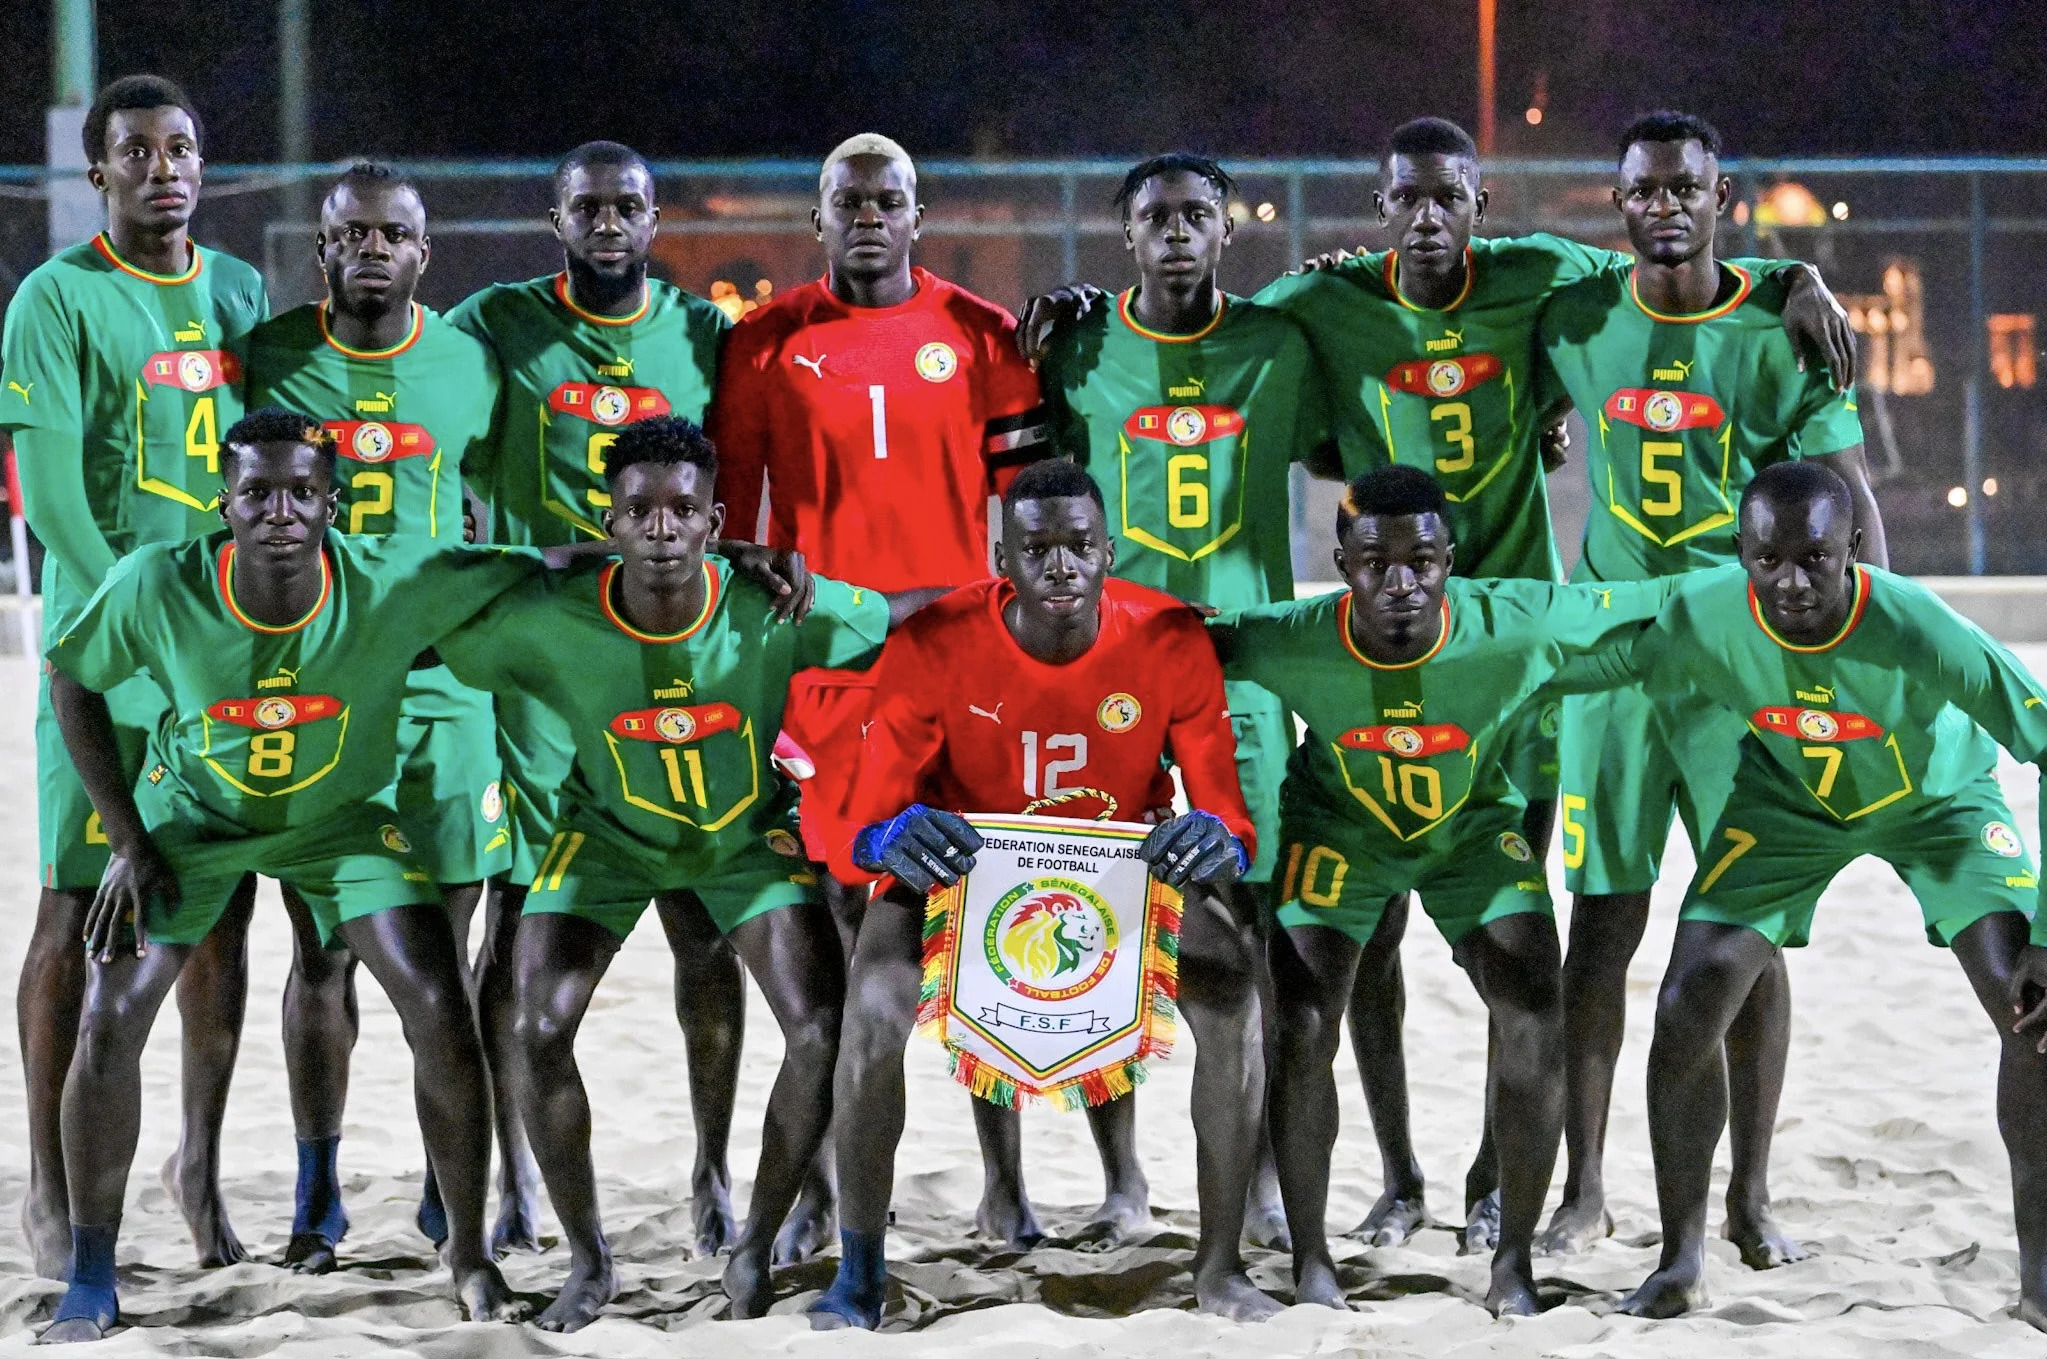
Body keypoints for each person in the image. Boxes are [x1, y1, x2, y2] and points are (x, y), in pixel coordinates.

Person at [1015, 117, 1859, 1251]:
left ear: (1479, 201)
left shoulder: (1543, 281)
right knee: (1359, 924)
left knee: (1563, 924)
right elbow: (1269, 405)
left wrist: (1792, 270)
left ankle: (1516, 1177)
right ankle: (1397, 1173)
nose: (1425, 217)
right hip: (1368, 642)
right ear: (1378, 207)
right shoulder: (1318, 306)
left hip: (1524, 649)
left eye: (1447, 197)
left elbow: (1671, 269)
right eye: (1404, 199)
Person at [36, 409, 560, 1341]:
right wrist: (124, 837)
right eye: (256, 492)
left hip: (342, 824)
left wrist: (725, 555)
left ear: (334, 502)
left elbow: (550, 567)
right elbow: (71, 679)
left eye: (301, 492)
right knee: (109, 1015)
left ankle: (470, 1256)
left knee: (439, 1003)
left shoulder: (393, 575)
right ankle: (89, 1272)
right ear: (223, 502)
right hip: (194, 821)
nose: (279, 509)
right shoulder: (158, 582)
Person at [433, 415, 934, 1328]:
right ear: (609, 523)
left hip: (743, 838)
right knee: (534, 1025)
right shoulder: (550, 616)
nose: (662, 530)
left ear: (717, 520)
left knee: (820, 1030)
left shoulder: (776, 602)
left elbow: (905, 614)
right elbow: (426, 627)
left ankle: (751, 1245)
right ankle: (589, 1261)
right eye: (639, 513)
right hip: (608, 838)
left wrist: (1021, 595)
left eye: (684, 512)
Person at [1564, 459, 2047, 1331]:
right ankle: (1680, 1260)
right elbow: (1582, 644)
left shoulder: (1915, 626)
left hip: (1936, 804)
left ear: (1854, 549)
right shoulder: (1710, 608)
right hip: (1791, 805)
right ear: (1740, 553)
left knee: (2032, 1009)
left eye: (1814, 559)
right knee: (1686, 997)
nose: (1789, 581)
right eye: (1767, 559)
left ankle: (2041, 1279)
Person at [1536, 110, 1890, 1260]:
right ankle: (1583, 1189)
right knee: (1601, 923)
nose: (1663, 205)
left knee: (1745, 933)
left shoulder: (1780, 330)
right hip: (1609, 663)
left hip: (1744, 669)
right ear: (1617, 201)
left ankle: (1749, 1198)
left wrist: (1869, 654)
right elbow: (1464, 299)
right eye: (1641, 190)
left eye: (1684, 187)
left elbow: (1848, 498)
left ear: (1719, 195)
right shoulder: (1579, 312)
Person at [708, 133, 1071, 1257]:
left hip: (959, 667)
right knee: (832, 921)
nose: (868, 216)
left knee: (974, 915)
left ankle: (1002, 1183)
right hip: (827, 679)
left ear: (920, 213)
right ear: (818, 219)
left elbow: (1030, 507)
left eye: (889, 200)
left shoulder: (983, 336)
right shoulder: (765, 344)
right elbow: (742, 530)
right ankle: (820, 1180)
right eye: (847, 201)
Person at [814, 458, 1273, 1328]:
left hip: (1118, 871)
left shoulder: (1169, 636)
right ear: (1003, 557)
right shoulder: (934, 640)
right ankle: (860, 1270)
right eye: (1036, 548)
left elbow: (1227, 813)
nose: (1059, 566)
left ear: (1108, 550)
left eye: (1076, 546)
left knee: (1236, 997)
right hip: (968, 871)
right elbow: (858, 826)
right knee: (871, 1011)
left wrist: (1217, 838)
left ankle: (1220, 1267)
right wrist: (889, 838)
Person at [1211, 463, 1671, 1315]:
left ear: (1448, 559)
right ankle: (1313, 1259)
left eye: (1420, 562)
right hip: (1341, 829)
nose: (1399, 582)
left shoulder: (1512, 623)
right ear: (1341, 561)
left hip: (1468, 830)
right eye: (1374, 562)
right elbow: (1172, 643)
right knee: (1303, 1019)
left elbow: (1669, 602)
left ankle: (1513, 1263)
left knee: (1536, 1007)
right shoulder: (1292, 635)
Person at [449, 140, 748, 1254]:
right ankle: (514, 1172)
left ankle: (713, 1170)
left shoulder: (701, 333)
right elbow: (429, 430)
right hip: (543, 671)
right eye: (589, 205)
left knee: (701, 929)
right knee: (518, 928)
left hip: (672, 657)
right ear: (555, 216)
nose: (609, 221)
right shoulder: (495, 323)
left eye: (628, 205)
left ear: (655, 218)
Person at [1034, 151, 1337, 1245]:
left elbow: (1359, 437)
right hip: (1105, 691)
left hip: (1240, 685)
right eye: (1155, 217)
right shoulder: (1077, 348)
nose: (1175, 233)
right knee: (1099, 941)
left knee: (1248, 937)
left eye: (1195, 216)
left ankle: (1253, 1179)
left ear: (1225, 231)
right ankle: (1120, 1180)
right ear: (1125, 235)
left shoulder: (1279, 347)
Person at [0, 73, 268, 1277]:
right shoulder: (54, 301)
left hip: (226, 657)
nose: (165, 167)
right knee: (76, 905)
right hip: (106, 657)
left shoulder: (241, 294)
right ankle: (51, 1186)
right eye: (138, 151)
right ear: (98, 172)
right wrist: (141, 633)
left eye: (183, 146)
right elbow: (53, 499)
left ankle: (197, 1169)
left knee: (219, 913)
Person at [244, 161, 517, 1267]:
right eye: (349, 233)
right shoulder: (267, 357)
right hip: (320, 697)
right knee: (322, 956)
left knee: (439, 966)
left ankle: (446, 1189)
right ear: (321, 248)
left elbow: (498, 501)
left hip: (447, 695)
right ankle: (317, 1194)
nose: (370, 249)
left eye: (391, 234)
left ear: (424, 251)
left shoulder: (467, 365)